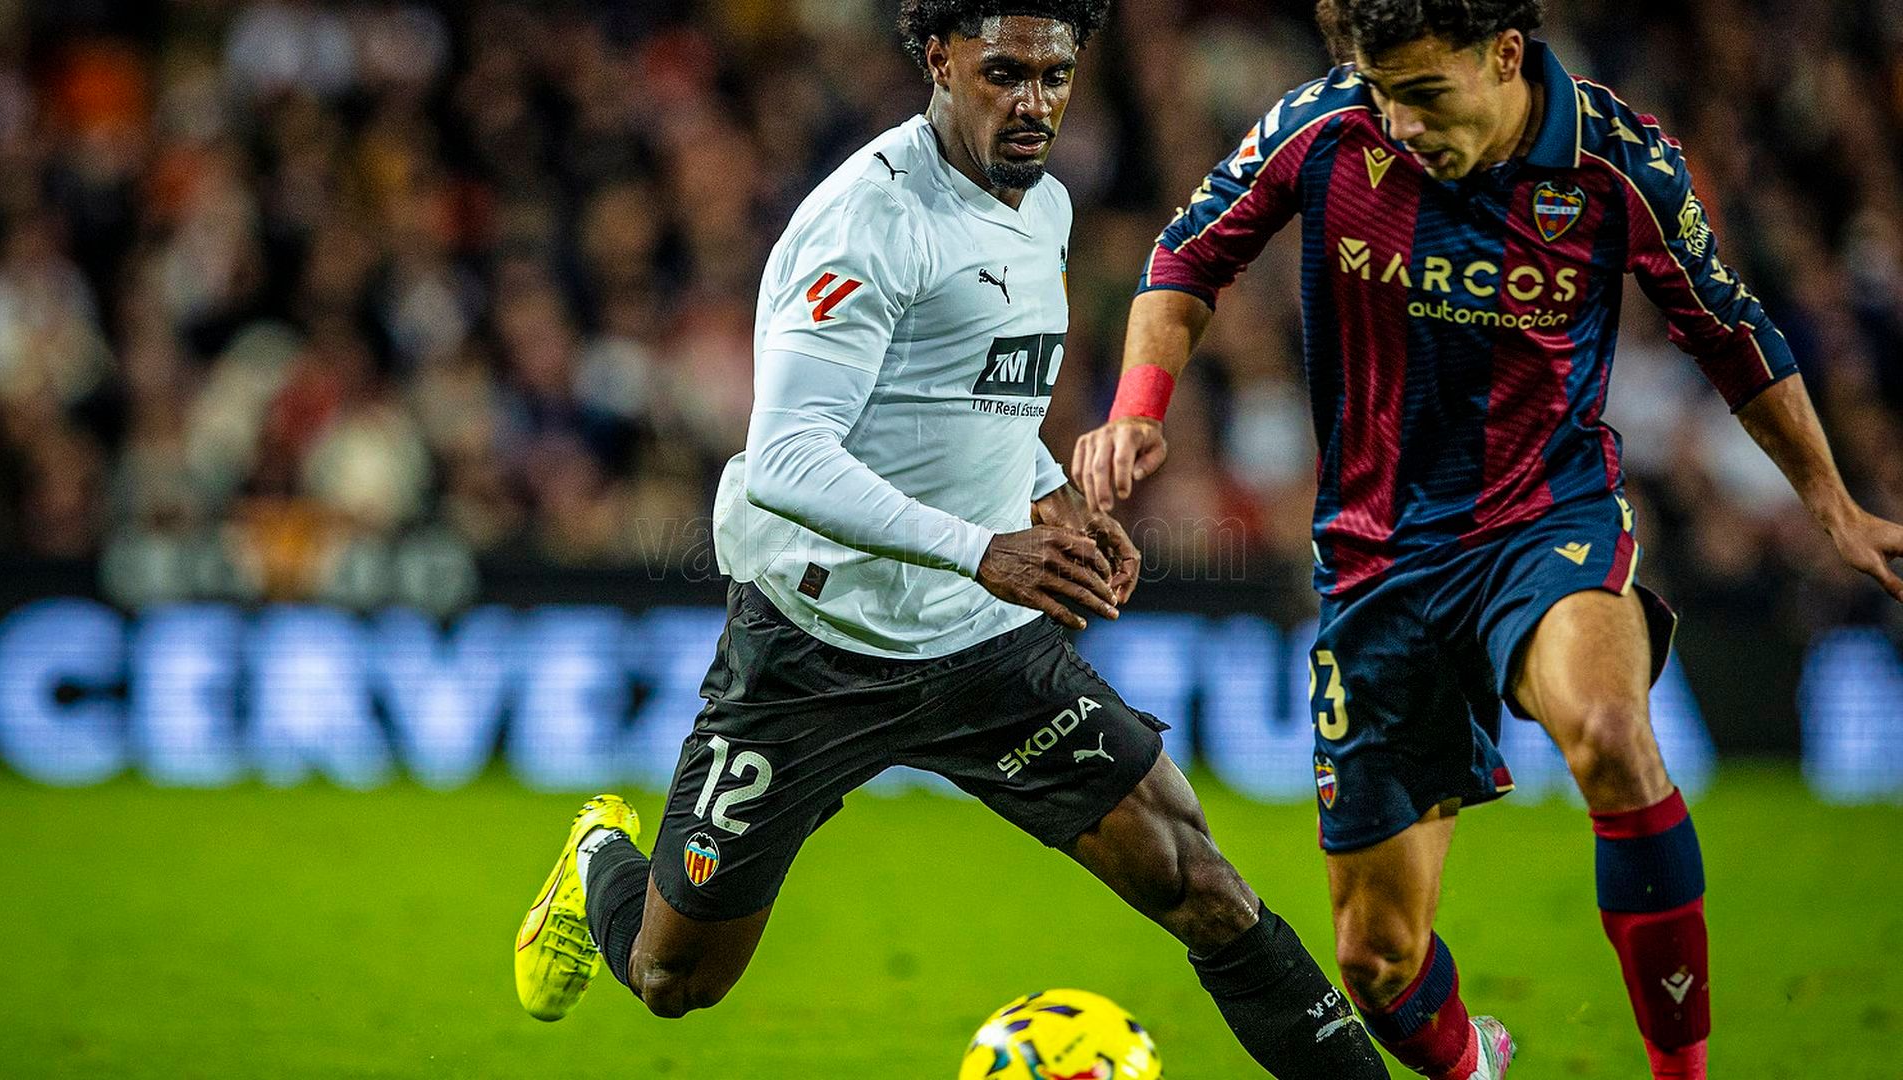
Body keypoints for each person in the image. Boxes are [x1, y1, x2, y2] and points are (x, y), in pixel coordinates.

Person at [513, 3, 1392, 1076]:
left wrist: (1051, 490)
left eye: (1057, 75)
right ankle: (601, 858)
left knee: (1201, 885)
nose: (1035, 103)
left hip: (984, 648)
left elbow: (976, 403)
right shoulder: (865, 222)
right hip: (811, 648)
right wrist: (988, 550)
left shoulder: (1047, 208)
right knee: (673, 981)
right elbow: (787, 458)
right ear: (939, 57)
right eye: (1005, 71)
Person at [1070, 2, 1903, 1079]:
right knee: (1377, 963)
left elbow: (1730, 327)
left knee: (1609, 734)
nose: (1400, 125)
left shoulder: (1617, 164)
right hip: (1376, 565)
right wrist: (1141, 406)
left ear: (1506, 55)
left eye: (1424, 94)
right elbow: (1186, 259)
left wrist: (1831, 503)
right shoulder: (1319, 128)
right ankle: (1475, 1063)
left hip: (1543, 521)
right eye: (1381, 93)